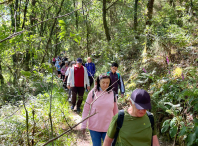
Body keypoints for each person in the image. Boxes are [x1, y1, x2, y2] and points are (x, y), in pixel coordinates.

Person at [81, 73, 118, 146]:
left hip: (109, 127)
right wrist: (83, 125)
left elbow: (116, 112)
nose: (105, 85)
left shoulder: (112, 94)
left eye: (107, 83)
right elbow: (86, 109)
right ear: (98, 82)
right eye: (103, 82)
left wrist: (117, 126)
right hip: (94, 127)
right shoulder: (93, 93)